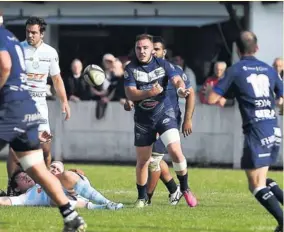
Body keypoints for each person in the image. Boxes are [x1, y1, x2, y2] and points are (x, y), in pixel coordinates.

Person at [0, 14, 86, 232]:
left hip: (11, 109)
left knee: (39, 158)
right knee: (37, 168)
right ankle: (71, 216)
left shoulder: (2, 38)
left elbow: (4, 66)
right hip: (28, 109)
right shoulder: (12, 39)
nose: (30, 34)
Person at [207, 31, 283, 232]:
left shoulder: (236, 70)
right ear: (256, 48)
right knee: (263, 179)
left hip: (256, 131)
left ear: (238, 50)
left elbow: (213, 98)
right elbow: (281, 98)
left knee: (255, 185)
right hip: (273, 128)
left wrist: (220, 93)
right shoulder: (269, 69)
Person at [124, 34, 197, 208]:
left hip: (167, 115)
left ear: (162, 51)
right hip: (144, 119)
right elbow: (131, 93)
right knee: (146, 161)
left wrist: (181, 95)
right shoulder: (131, 68)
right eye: (139, 48)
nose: (143, 51)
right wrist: (132, 100)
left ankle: (175, 190)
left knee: (169, 153)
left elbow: (182, 84)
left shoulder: (168, 66)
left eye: (148, 48)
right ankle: (169, 191)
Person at [6, 16, 71, 195]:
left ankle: (43, 187)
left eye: (34, 32)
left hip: (40, 107)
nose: (30, 35)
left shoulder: (50, 53)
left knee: (45, 149)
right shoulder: (18, 49)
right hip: (20, 106)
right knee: (14, 150)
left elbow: (57, 79)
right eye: (28, 32)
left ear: (42, 34)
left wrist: (64, 101)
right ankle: (12, 187)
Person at [0, 161, 124, 211]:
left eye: (26, 174)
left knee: (66, 177)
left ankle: (108, 202)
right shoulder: (28, 196)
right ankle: (103, 207)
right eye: (21, 178)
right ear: (17, 188)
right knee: (54, 198)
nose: (26, 177)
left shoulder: (54, 176)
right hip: (65, 199)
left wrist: (58, 171)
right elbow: (6, 201)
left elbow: (60, 167)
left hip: (73, 186)